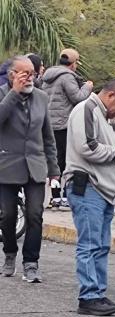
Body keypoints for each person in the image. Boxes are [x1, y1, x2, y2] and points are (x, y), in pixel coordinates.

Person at [64, 79, 115, 316]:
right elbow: (87, 147)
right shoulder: (86, 109)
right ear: (111, 96)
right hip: (87, 186)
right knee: (89, 243)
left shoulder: (100, 116)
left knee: (101, 245)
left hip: (100, 189)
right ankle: (89, 296)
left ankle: (98, 293)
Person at [0, 56, 60, 282]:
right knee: (7, 216)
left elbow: (48, 136)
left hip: (35, 164)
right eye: (24, 73)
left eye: (32, 73)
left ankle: (31, 262)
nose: (29, 77)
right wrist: (13, 94)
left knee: (35, 214)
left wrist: (54, 169)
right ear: (11, 74)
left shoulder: (41, 98)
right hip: (7, 165)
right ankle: (9, 254)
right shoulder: (2, 94)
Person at [41, 48, 94, 210]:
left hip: (49, 123)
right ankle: (63, 196)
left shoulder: (48, 77)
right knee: (65, 162)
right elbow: (78, 98)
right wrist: (87, 87)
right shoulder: (67, 77)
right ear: (73, 64)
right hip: (63, 124)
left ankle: (55, 197)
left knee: (54, 161)